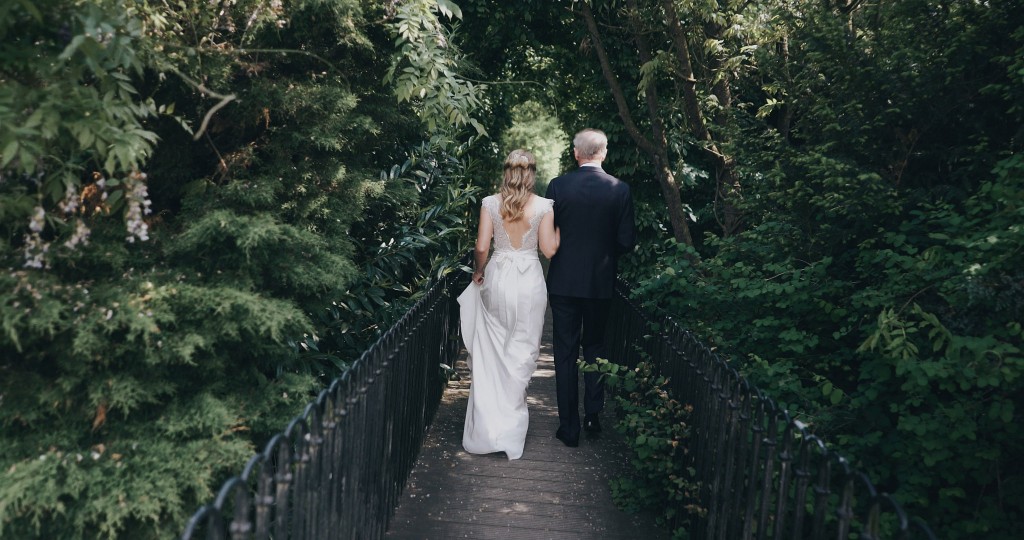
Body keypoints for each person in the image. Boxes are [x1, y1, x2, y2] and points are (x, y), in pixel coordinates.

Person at [458, 149, 559, 460]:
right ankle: (511, 428)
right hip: (529, 281)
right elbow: (549, 250)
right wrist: (560, 229)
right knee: (523, 352)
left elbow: (481, 246)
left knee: (494, 351)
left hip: (498, 277)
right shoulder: (544, 206)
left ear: (506, 171)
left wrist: (478, 270)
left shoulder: (490, 203)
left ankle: (488, 429)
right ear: (531, 173)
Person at [545, 128, 636, 447]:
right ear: (604, 153)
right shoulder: (620, 189)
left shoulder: (558, 186)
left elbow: (548, 236)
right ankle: (593, 414)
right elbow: (626, 241)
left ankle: (569, 428)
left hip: (564, 283)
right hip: (600, 283)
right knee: (595, 347)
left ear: (576, 154)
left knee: (565, 353)